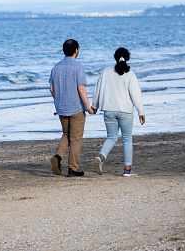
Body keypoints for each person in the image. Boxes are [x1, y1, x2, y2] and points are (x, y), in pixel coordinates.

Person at [92, 47, 145, 177]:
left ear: (115, 57)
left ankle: (101, 156)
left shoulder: (106, 71)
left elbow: (97, 90)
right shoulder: (130, 73)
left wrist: (95, 106)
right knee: (127, 139)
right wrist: (141, 111)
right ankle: (127, 170)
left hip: (108, 110)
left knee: (111, 137)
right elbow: (135, 94)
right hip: (125, 110)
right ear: (127, 58)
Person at [49, 39, 96, 177]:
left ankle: (57, 157)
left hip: (61, 108)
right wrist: (89, 108)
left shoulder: (55, 67)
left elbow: (52, 89)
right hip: (76, 108)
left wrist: (58, 101)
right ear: (76, 50)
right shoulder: (78, 67)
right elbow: (81, 89)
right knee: (76, 138)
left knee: (66, 134)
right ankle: (72, 168)